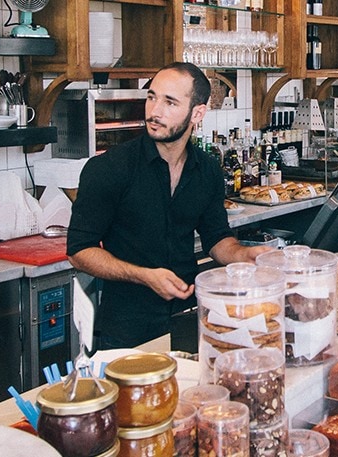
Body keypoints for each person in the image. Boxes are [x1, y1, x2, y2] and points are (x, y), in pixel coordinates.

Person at [67, 62, 272, 351]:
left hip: (188, 320)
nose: (154, 111)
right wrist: (144, 275)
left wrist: (244, 254)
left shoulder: (208, 170)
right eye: (151, 97)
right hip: (125, 330)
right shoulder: (109, 169)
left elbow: (216, 239)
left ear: (197, 113)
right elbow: (78, 251)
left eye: (170, 102)